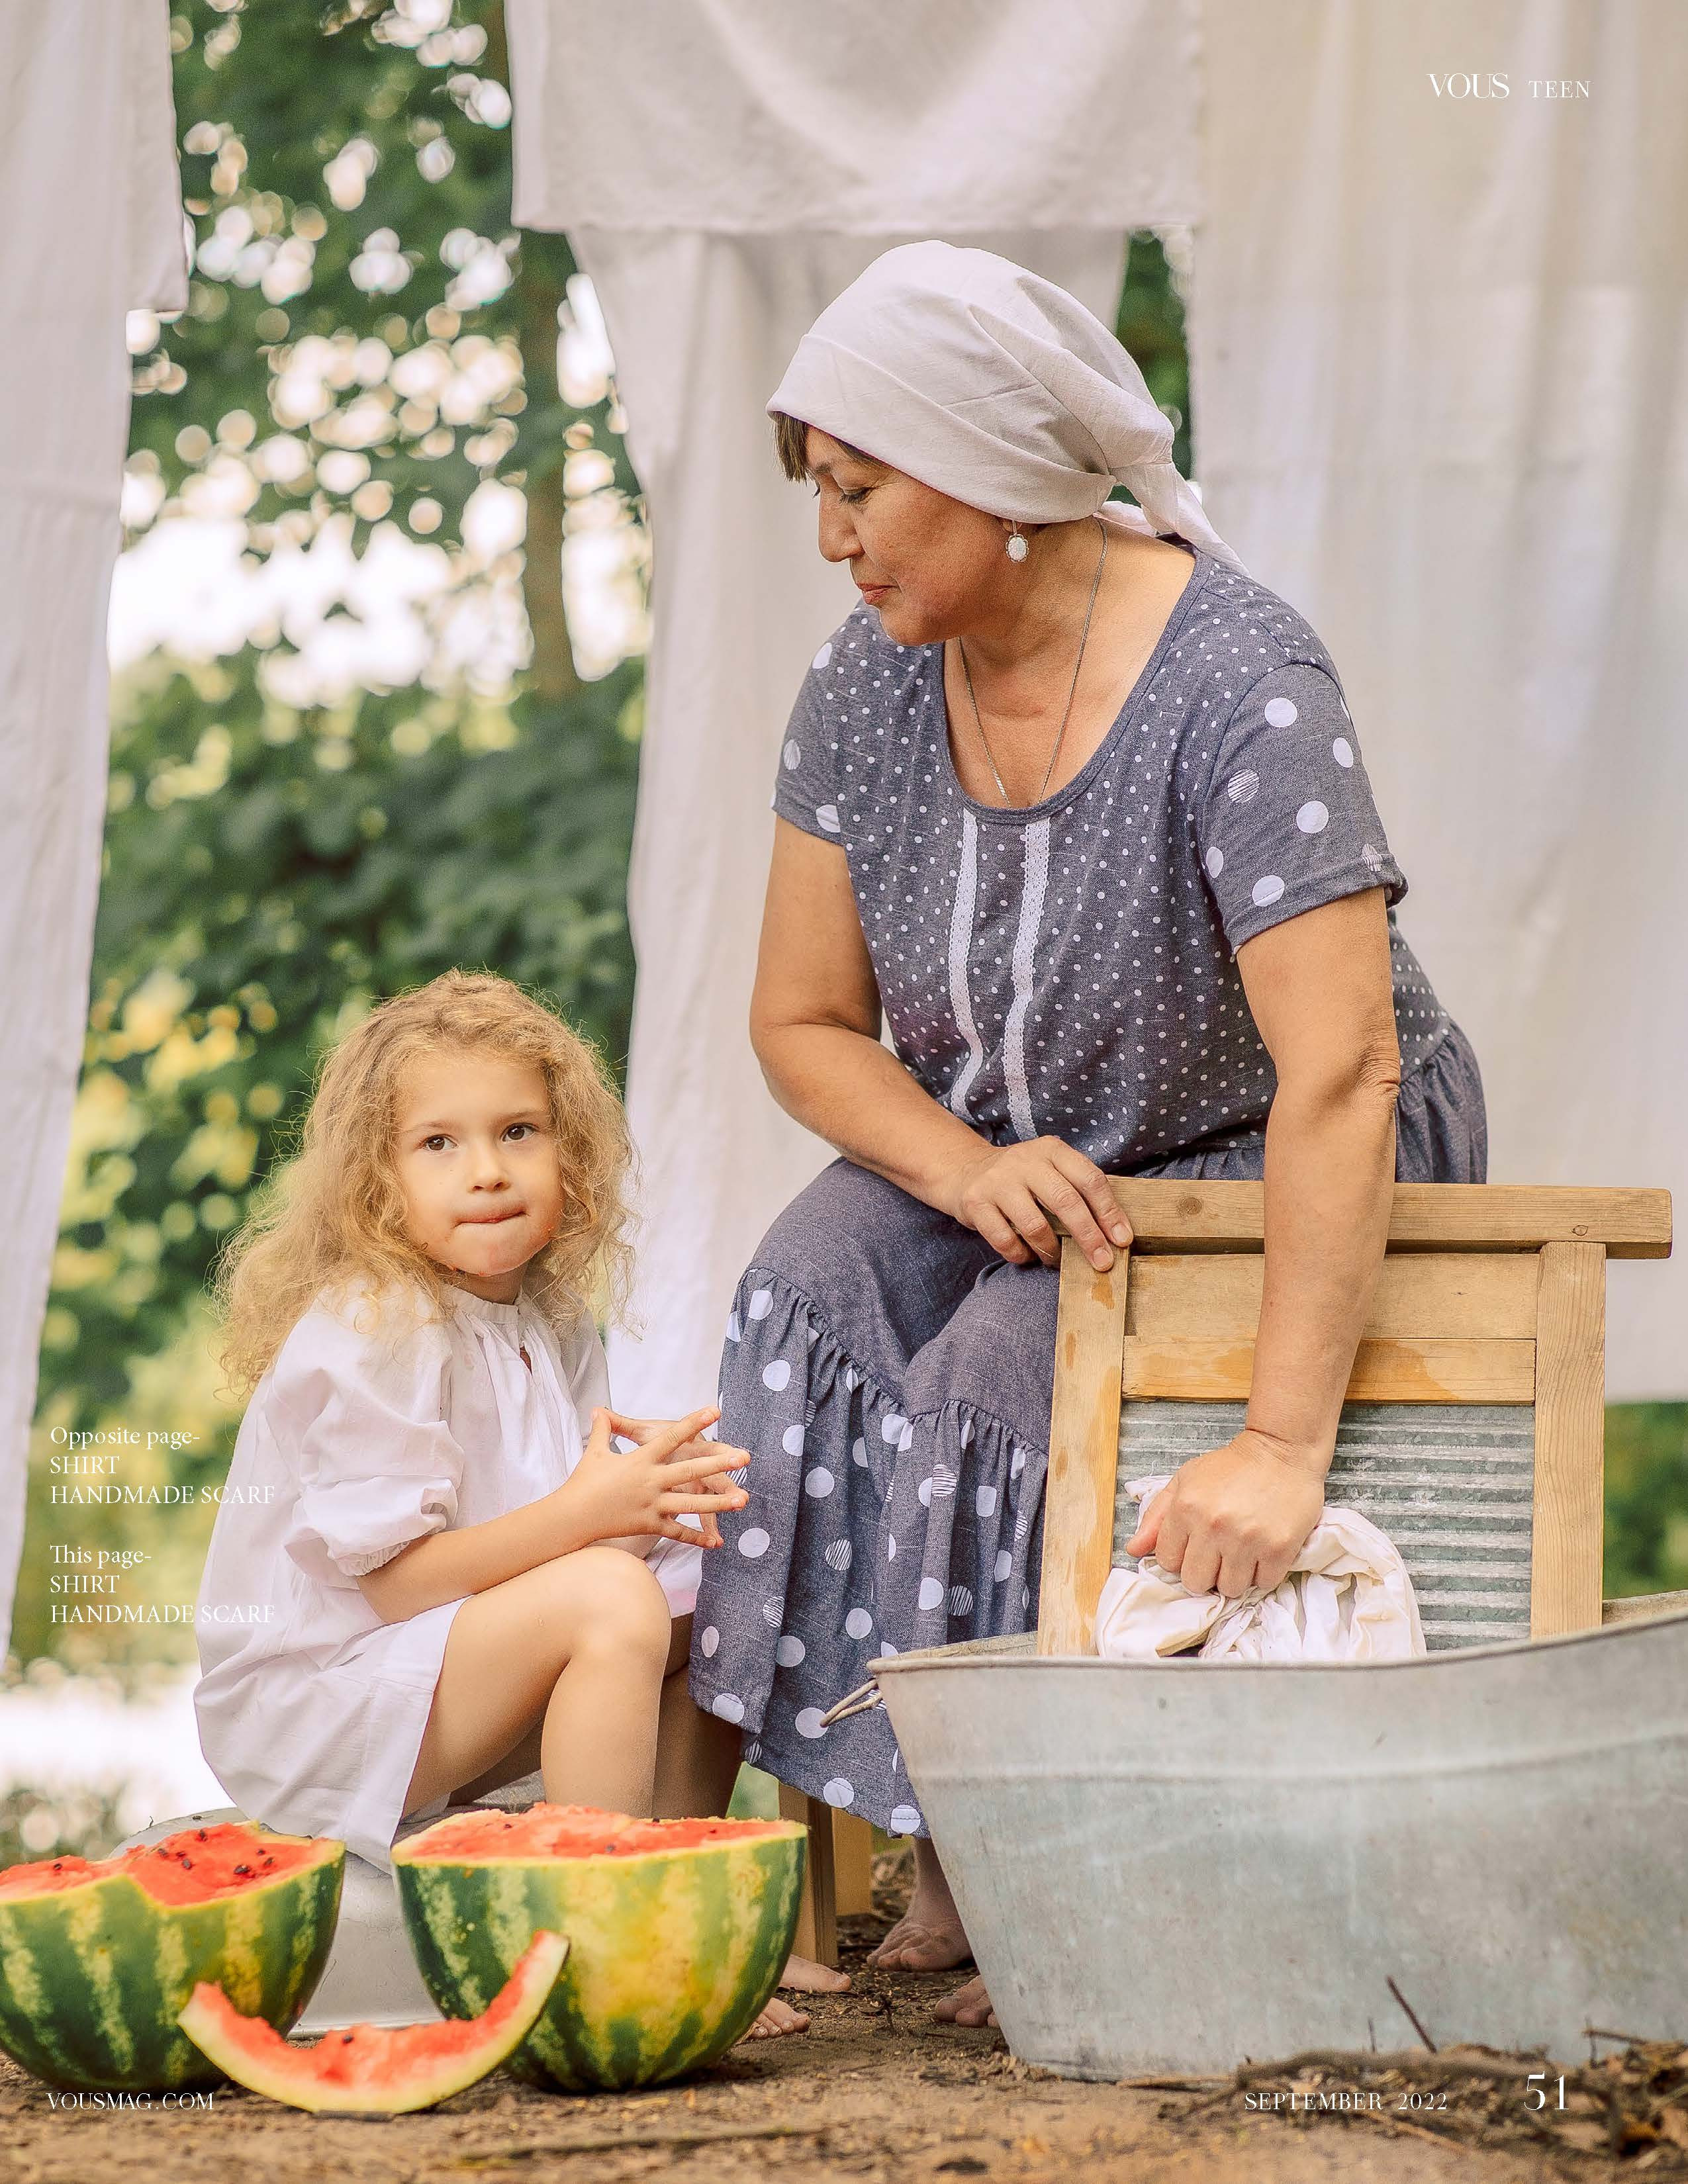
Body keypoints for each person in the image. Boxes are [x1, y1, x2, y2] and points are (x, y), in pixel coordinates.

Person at [689, 242, 1486, 2027]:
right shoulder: (864, 683)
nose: (832, 535)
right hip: (1016, 1145)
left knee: (993, 1368)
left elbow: (1337, 1075)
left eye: (855, 488)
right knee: (802, 1286)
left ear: (980, 469)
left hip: (1263, 1131)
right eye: (819, 495)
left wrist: (1281, 1447)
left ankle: (1025, 1856)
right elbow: (797, 1023)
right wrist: (962, 1167)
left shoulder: (1238, 676)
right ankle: (787, 1835)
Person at [193, 970, 819, 2038]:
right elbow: (398, 1588)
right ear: (376, 1180)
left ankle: (677, 1898)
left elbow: (543, 1541)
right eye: (437, 1143)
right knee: (612, 1600)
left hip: (435, 1671)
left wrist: (644, 1499)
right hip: (318, 1700)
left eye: (519, 1131)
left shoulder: (549, 1316)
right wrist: (590, 1516)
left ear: (571, 1155)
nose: (485, 1171)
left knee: (718, 1576)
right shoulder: (376, 1322)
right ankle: (608, 1936)